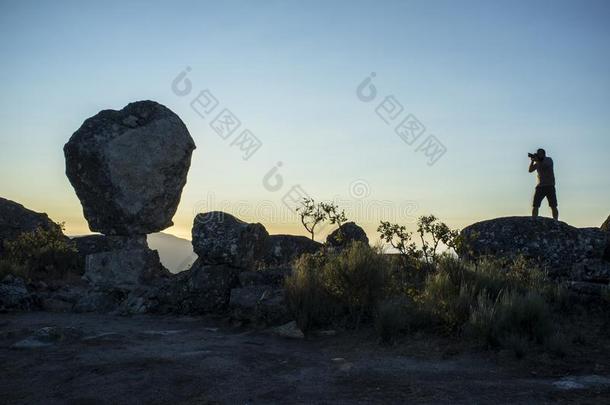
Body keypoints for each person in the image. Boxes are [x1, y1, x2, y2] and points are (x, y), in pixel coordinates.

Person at [528, 148, 558, 220]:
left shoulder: (548, 160)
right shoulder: (538, 162)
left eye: (540, 153)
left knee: (553, 205)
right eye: (538, 153)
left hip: (549, 185)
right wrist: (532, 161)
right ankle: (534, 220)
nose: (538, 154)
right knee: (535, 205)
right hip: (540, 186)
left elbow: (545, 165)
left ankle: (556, 221)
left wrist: (537, 160)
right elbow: (530, 170)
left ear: (544, 154)